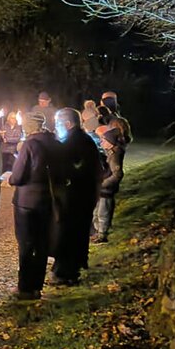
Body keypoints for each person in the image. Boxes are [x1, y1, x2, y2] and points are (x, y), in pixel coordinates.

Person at [8, 111, 58, 301]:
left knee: (27, 244)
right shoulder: (54, 142)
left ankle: (25, 287)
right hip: (47, 199)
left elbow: (19, 175)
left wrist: (10, 178)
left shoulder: (30, 144)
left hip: (27, 202)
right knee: (42, 242)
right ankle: (37, 285)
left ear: (30, 126)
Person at [50, 108, 104, 285]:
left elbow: (69, 169)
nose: (56, 127)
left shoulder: (74, 142)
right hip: (83, 195)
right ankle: (71, 268)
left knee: (68, 234)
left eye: (58, 123)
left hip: (75, 197)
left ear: (68, 124)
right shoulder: (82, 139)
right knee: (77, 233)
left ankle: (66, 273)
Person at [92, 125, 126, 243]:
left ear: (110, 143)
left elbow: (117, 174)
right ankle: (98, 232)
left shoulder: (114, 156)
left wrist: (103, 184)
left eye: (104, 141)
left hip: (106, 190)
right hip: (102, 189)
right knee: (97, 211)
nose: (102, 142)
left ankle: (102, 235)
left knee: (103, 212)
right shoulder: (109, 153)